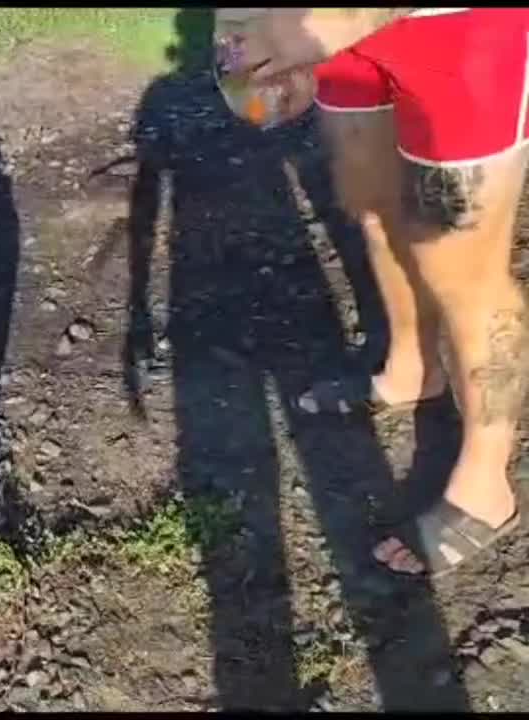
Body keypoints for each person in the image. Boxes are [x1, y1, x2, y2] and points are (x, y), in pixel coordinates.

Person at [222, 8, 529, 577]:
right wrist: (237, 27)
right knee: (370, 203)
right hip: (336, 35)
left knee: (463, 266)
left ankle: (487, 486)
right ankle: (412, 369)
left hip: (456, 29)